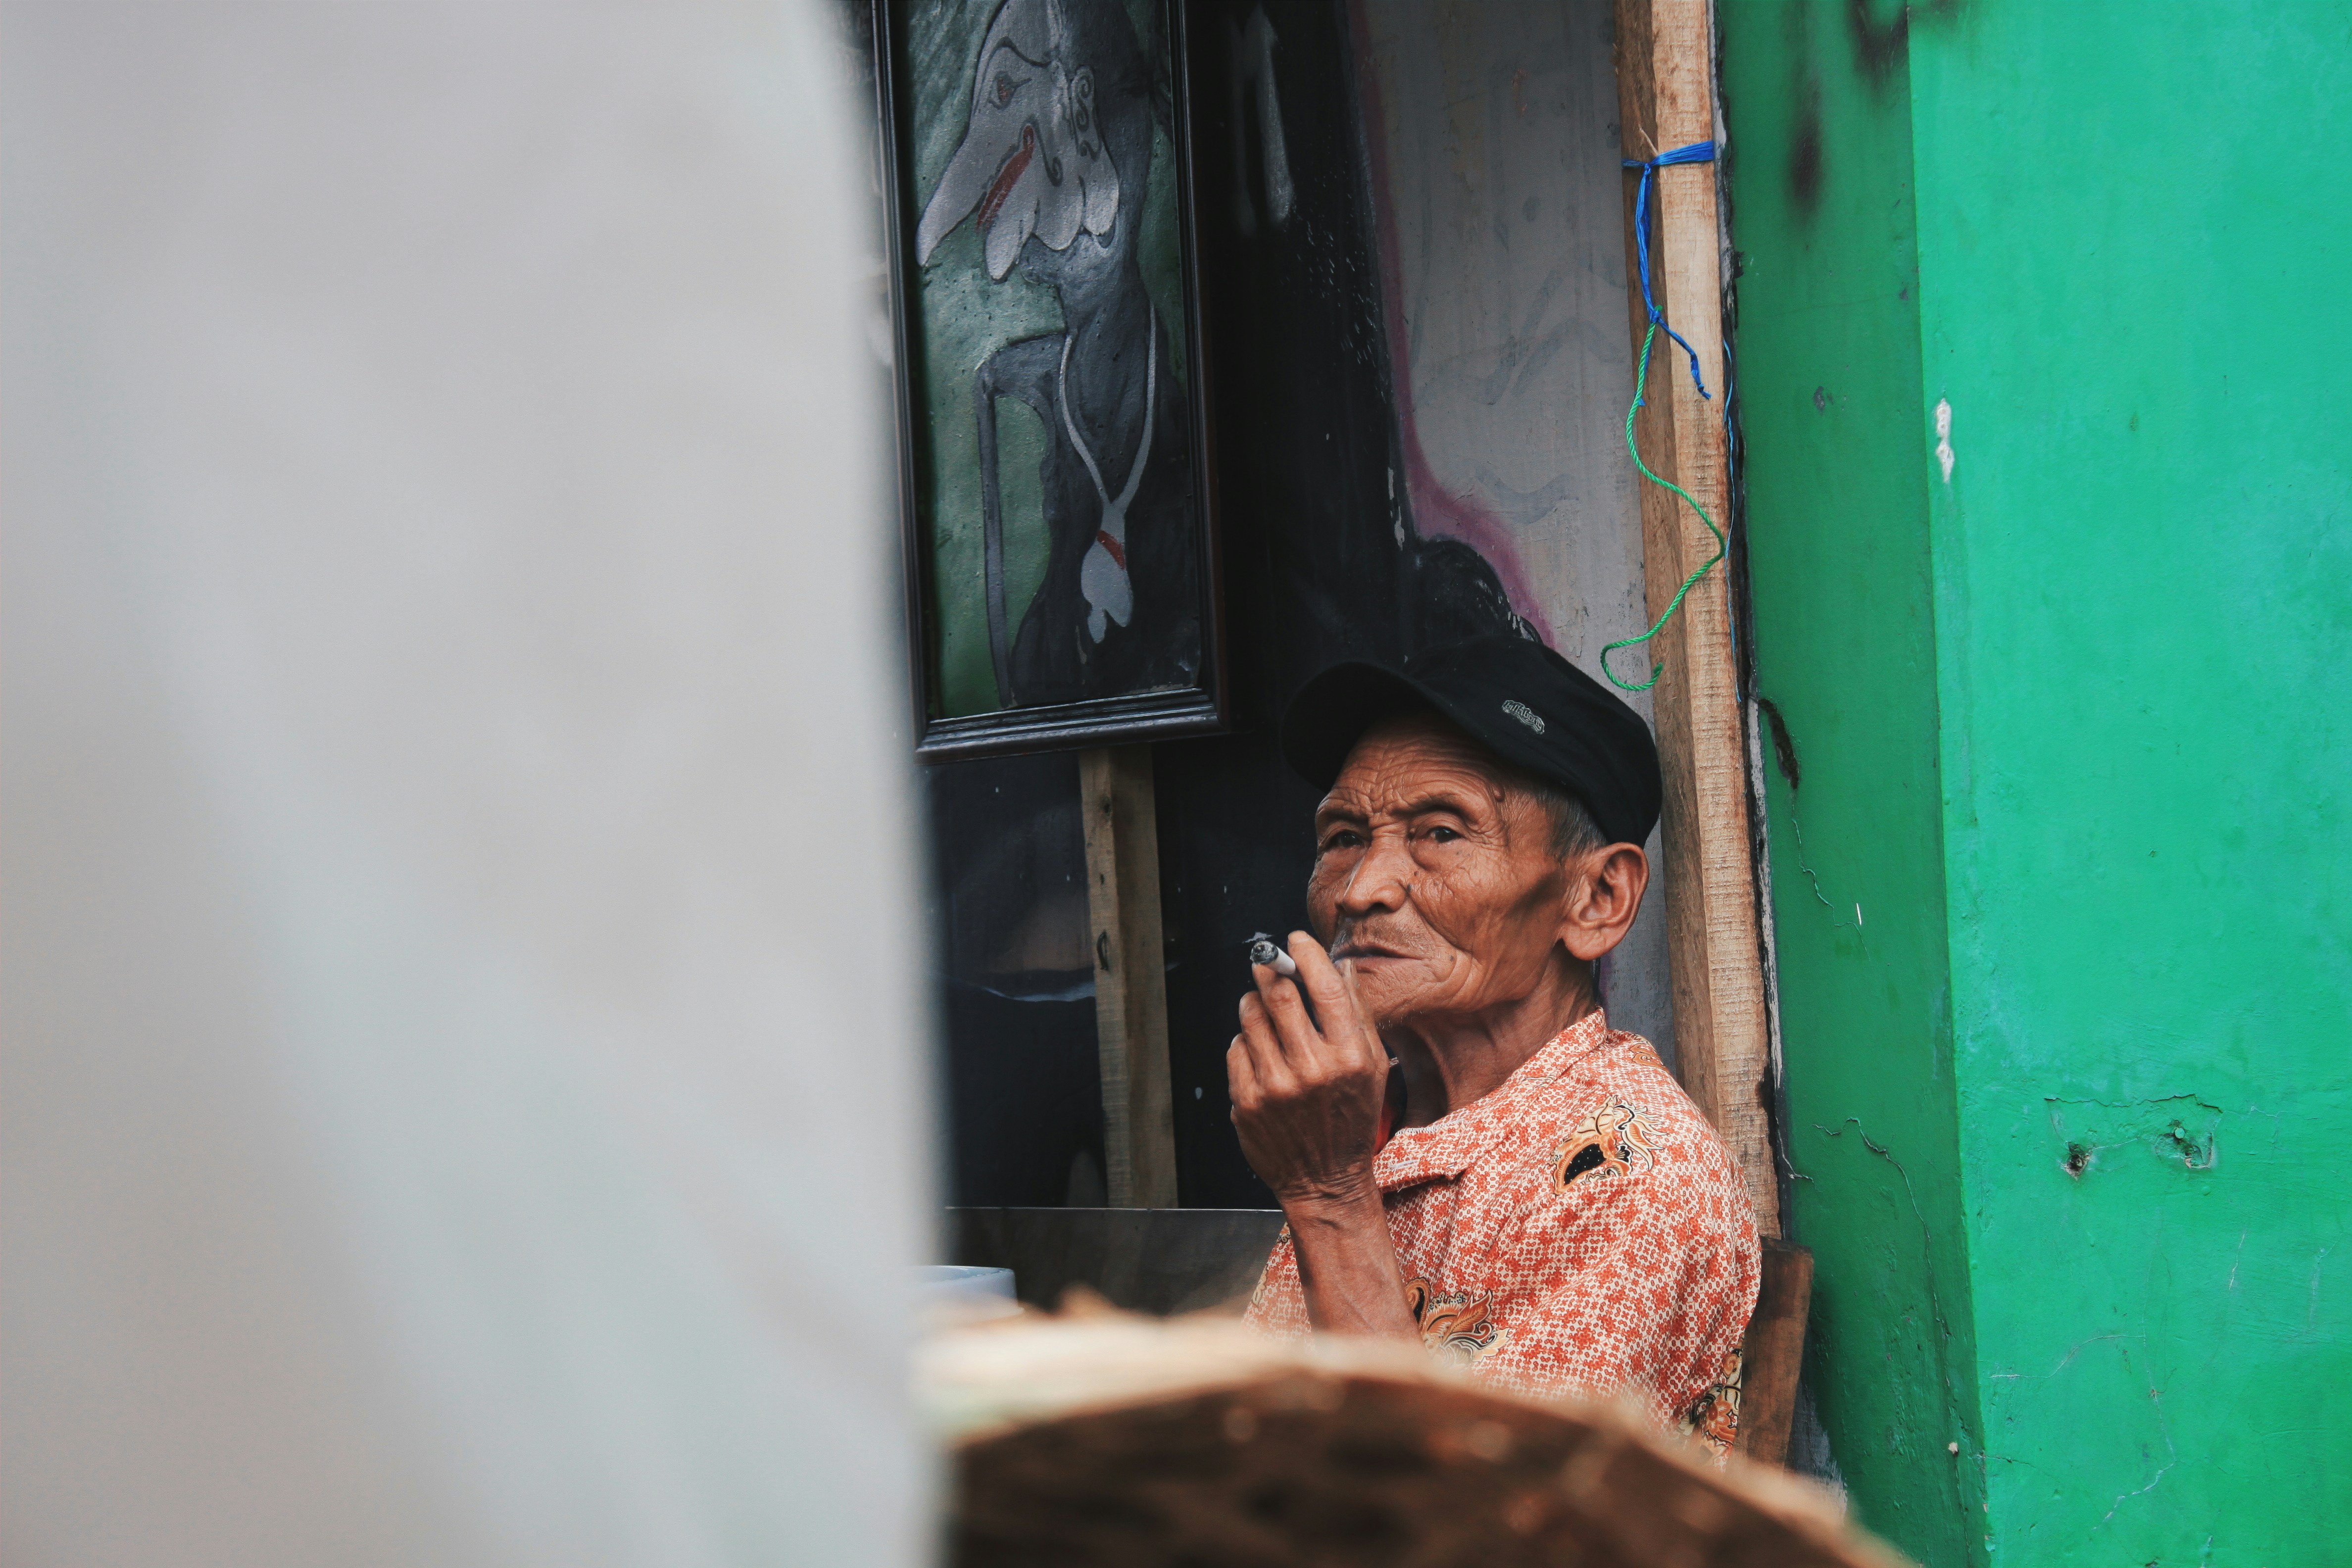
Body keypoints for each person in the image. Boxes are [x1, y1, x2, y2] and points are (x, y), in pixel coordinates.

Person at [1231, 634, 1761, 1454]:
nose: (1362, 890)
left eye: (1440, 833)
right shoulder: (1373, 1128)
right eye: (1342, 838)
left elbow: (1451, 1532)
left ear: (1596, 898)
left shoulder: (1634, 1177)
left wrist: (1329, 1197)